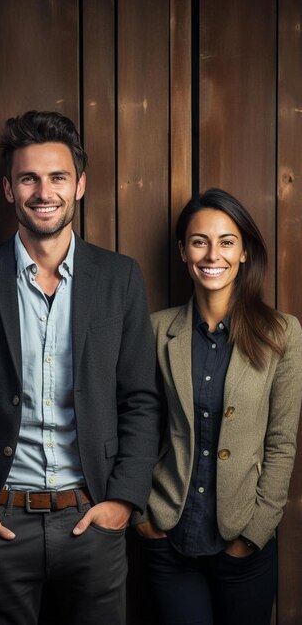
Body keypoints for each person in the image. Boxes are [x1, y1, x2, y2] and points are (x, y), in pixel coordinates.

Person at [0, 110, 160, 625]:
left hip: (91, 522)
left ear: (80, 185)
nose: (44, 192)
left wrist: (123, 504)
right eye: (29, 178)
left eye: (58, 177)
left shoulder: (119, 277)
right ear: (8, 188)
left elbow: (140, 399)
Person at [134, 188, 302, 625]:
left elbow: (281, 443)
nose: (213, 254)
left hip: (244, 543)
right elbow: (135, 428)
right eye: (198, 240)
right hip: (169, 537)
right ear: (182, 251)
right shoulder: (156, 331)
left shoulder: (283, 334)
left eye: (227, 241)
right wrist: (144, 519)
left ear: (244, 252)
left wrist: (253, 533)